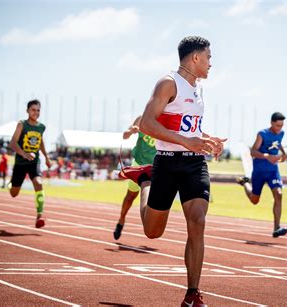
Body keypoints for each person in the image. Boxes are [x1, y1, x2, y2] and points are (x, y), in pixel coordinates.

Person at [118, 36, 225, 307]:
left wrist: (205, 139)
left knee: (198, 220)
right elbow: (145, 124)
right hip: (166, 163)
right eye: (209, 57)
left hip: (194, 165)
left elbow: (188, 128)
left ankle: (192, 293)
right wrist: (184, 141)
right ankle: (144, 180)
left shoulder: (199, 89)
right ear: (195, 58)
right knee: (153, 233)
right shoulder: (168, 83)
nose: (212, 63)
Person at [236, 112, 287, 238]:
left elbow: (277, 142)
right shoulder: (262, 134)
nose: (279, 128)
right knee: (255, 200)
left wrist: (284, 152)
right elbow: (253, 151)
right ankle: (245, 183)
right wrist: (267, 156)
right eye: (277, 126)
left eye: (281, 126)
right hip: (259, 171)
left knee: (279, 194)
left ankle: (277, 227)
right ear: (271, 123)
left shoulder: (281, 133)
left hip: (273, 171)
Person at [9, 100, 51, 228]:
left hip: (34, 162)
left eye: (38, 110)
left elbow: (40, 141)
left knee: (39, 183)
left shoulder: (41, 127)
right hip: (21, 162)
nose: (36, 112)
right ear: (27, 111)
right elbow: (13, 143)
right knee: (14, 193)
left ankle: (40, 216)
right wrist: (24, 154)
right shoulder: (22, 125)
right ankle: (10, 184)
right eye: (33, 110)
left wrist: (47, 157)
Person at [113, 115, 157, 240]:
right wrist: (132, 131)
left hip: (156, 166)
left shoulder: (168, 120)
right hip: (139, 163)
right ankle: (121, 220)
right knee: (130, 197)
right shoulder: (142, 118)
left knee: (154, 197)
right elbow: (125, 135)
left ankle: (151, 225)